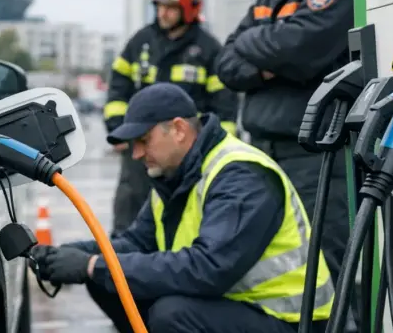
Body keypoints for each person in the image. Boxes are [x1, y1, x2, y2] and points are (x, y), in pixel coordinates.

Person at [30, 83, 333, 333]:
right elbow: (136, 243)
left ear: (177, 129)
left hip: (290, 320)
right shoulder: (174, 175)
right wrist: (74, 254)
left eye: (143, 140)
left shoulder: (241, 176)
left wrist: (94, 265)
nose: (136, 154)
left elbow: (208, 269)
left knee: (169, 314)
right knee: (108, 280)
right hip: (235, 307)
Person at [214, 0, 353, 288]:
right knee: (270, 273)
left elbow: (297, 48)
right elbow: (227, 62)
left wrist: (259, 46)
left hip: (316, 158)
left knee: (326, 273)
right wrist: (268, 60)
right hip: (264, 155)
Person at [104, 0, 239, 237]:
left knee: (185, 219)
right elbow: (118, 86)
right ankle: (120, 271)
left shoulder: (208, 49)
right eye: (159, 6)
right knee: (129, 213)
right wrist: (117, 127)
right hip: (141, 143)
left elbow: (224, 105)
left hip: (186, 152)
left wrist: (216, 150)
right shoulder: (140, 42)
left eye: (170, 7)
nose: (162, 13)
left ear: (188, 9)